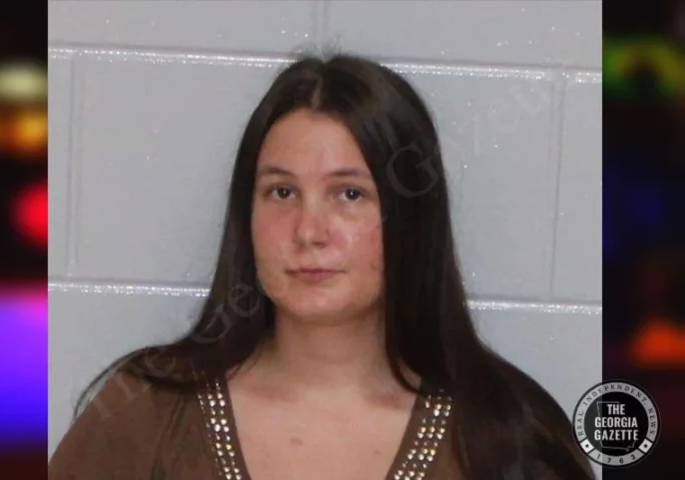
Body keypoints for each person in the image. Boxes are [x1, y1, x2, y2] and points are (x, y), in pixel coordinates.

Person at [48, 51, 596, 479]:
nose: (309, 232)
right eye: (282, 192)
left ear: (412, 217)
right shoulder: (144, 414)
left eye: (350, 194)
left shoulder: (508, 434)